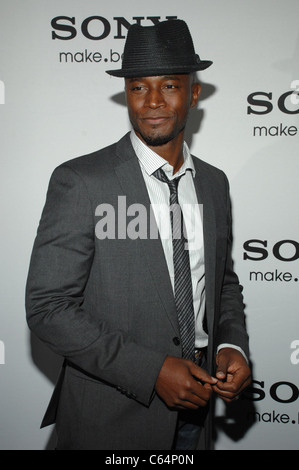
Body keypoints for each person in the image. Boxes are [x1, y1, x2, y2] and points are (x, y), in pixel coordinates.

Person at [25, 19, 250, 451]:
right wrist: (151, 371)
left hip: (198, 415)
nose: (152, 102)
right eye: (138, 87)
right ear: (126, 94)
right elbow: (48, 307)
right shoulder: (82, 180)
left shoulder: (214, 184)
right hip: (110, 418)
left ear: (194, 93)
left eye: (168, 85)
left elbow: (222, 282)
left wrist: (233, 347)